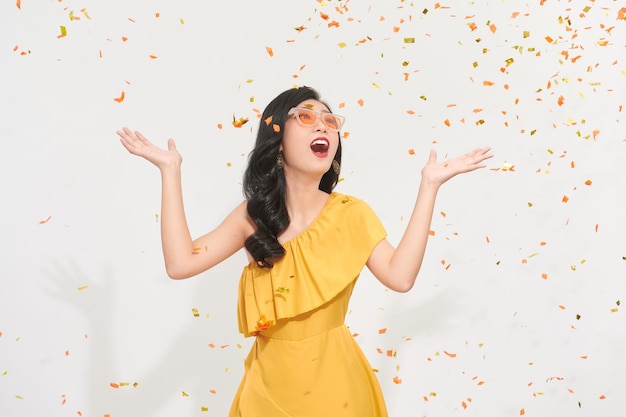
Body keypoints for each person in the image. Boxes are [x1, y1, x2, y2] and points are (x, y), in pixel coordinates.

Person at [117, 86, 492, 416]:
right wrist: (170, 171)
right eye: (307, 117)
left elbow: (400, 277)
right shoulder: (253, 215)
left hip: (339, 389)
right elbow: (181, 264)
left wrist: (429, 186)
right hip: (268, 390)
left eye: (330, 121)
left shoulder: (352, 214)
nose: (323, 126)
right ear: (277, 140)